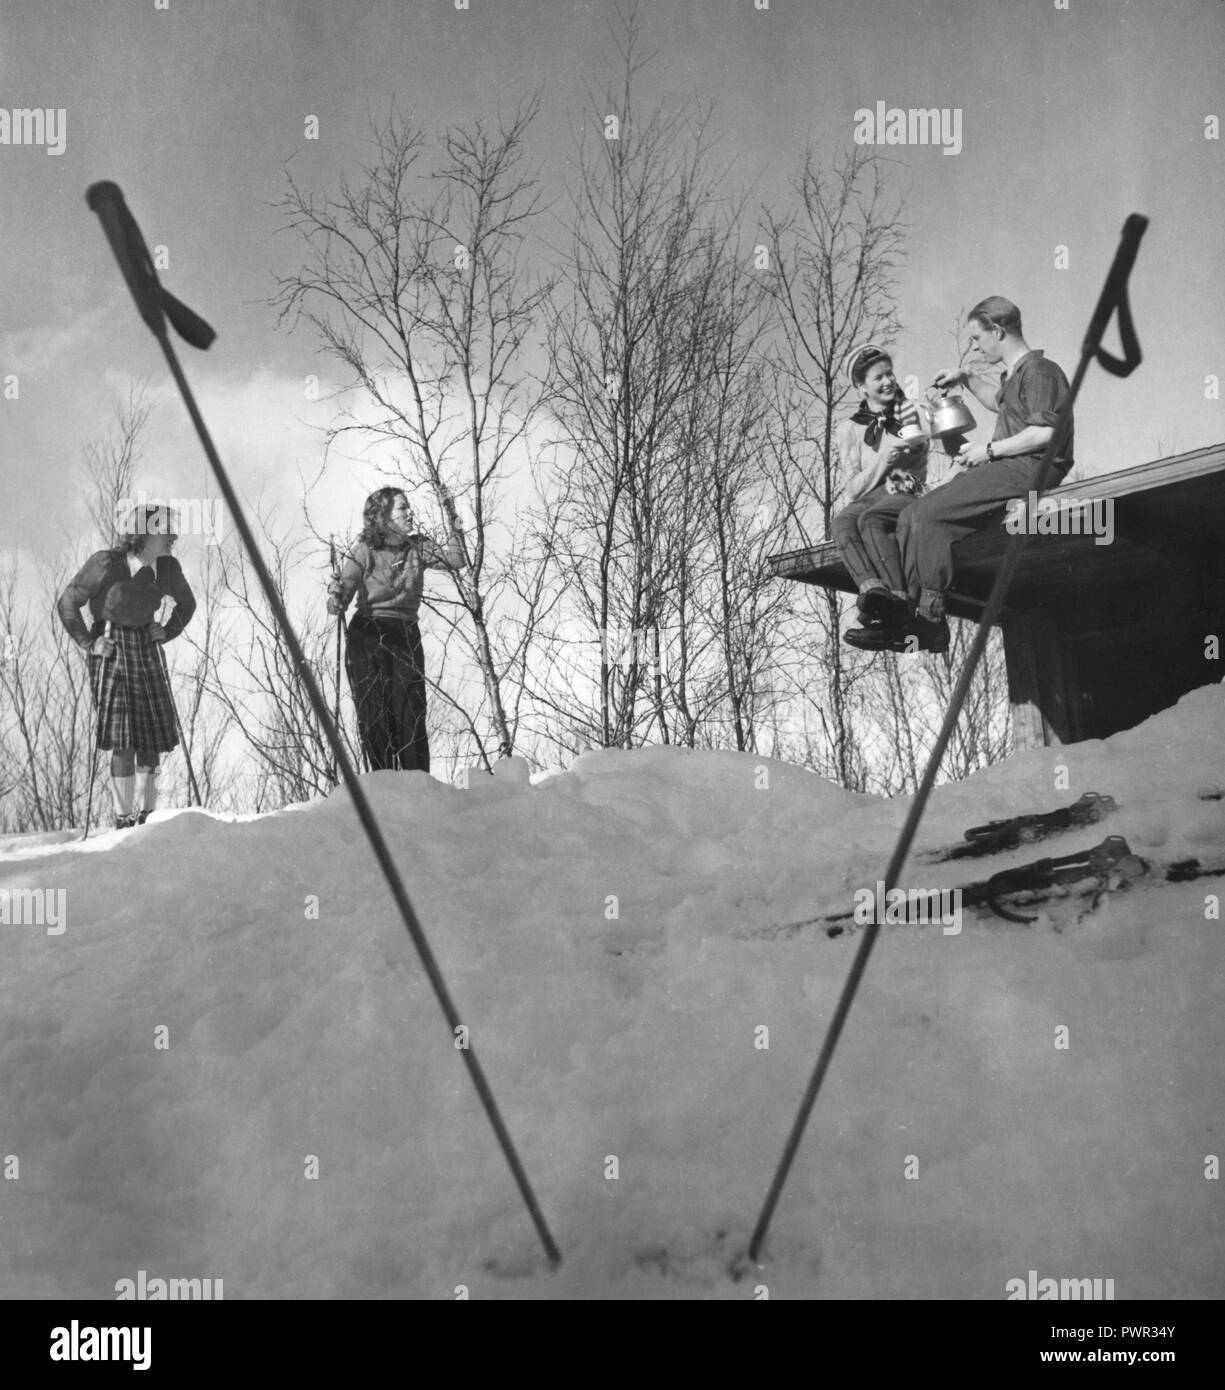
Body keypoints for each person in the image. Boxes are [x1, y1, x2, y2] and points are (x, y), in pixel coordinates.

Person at [860, 297, 1074, 654]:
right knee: (920, 515)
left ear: (998, 330)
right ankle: (903, 615)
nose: (975, 346)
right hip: (1012, 465)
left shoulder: (1041, 371)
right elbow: (998, 401)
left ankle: (929, 620)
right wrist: (967, 377)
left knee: (924, 513)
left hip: (1033, 466)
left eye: (977, 338)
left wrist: (988, 451)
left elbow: (1047, 433)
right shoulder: (1017, 375)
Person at [57, 504, 197, 829]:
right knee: (124, 737)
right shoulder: (107, 563)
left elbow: (187, 603)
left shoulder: (167, 569)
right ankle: (123, 819)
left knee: (150, 736)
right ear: (144, 533)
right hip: (112, 648)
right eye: (164, 530)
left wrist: (168, 629)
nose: (172, 536)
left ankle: (148, 817)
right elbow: (68, 603)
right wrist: (89, 643)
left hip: (146, 649)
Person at [328, 486, 465, 773]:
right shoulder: (364, 550)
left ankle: (417, 787)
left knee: (410, 716)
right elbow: (340, 597)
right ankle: (383, 787)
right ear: (384, 516)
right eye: (402, 508)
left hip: (404, 635)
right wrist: (336, 595)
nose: (410, 512)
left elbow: (457, 560)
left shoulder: (417, 547)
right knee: (375, 717)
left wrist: (453, 517)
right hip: (369, 635)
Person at [830, 345, 933, 649]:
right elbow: (851, 489)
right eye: (879, 378)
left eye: (889, 373)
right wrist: (883, 460)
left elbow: (919, 452)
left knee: (870, 520)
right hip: (869, 493)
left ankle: (898, 601)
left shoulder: (908, 411)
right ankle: (875, 594)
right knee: (842, 524)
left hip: (903, 487)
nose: (888, 381)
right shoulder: (848, 428)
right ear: (862, 386)